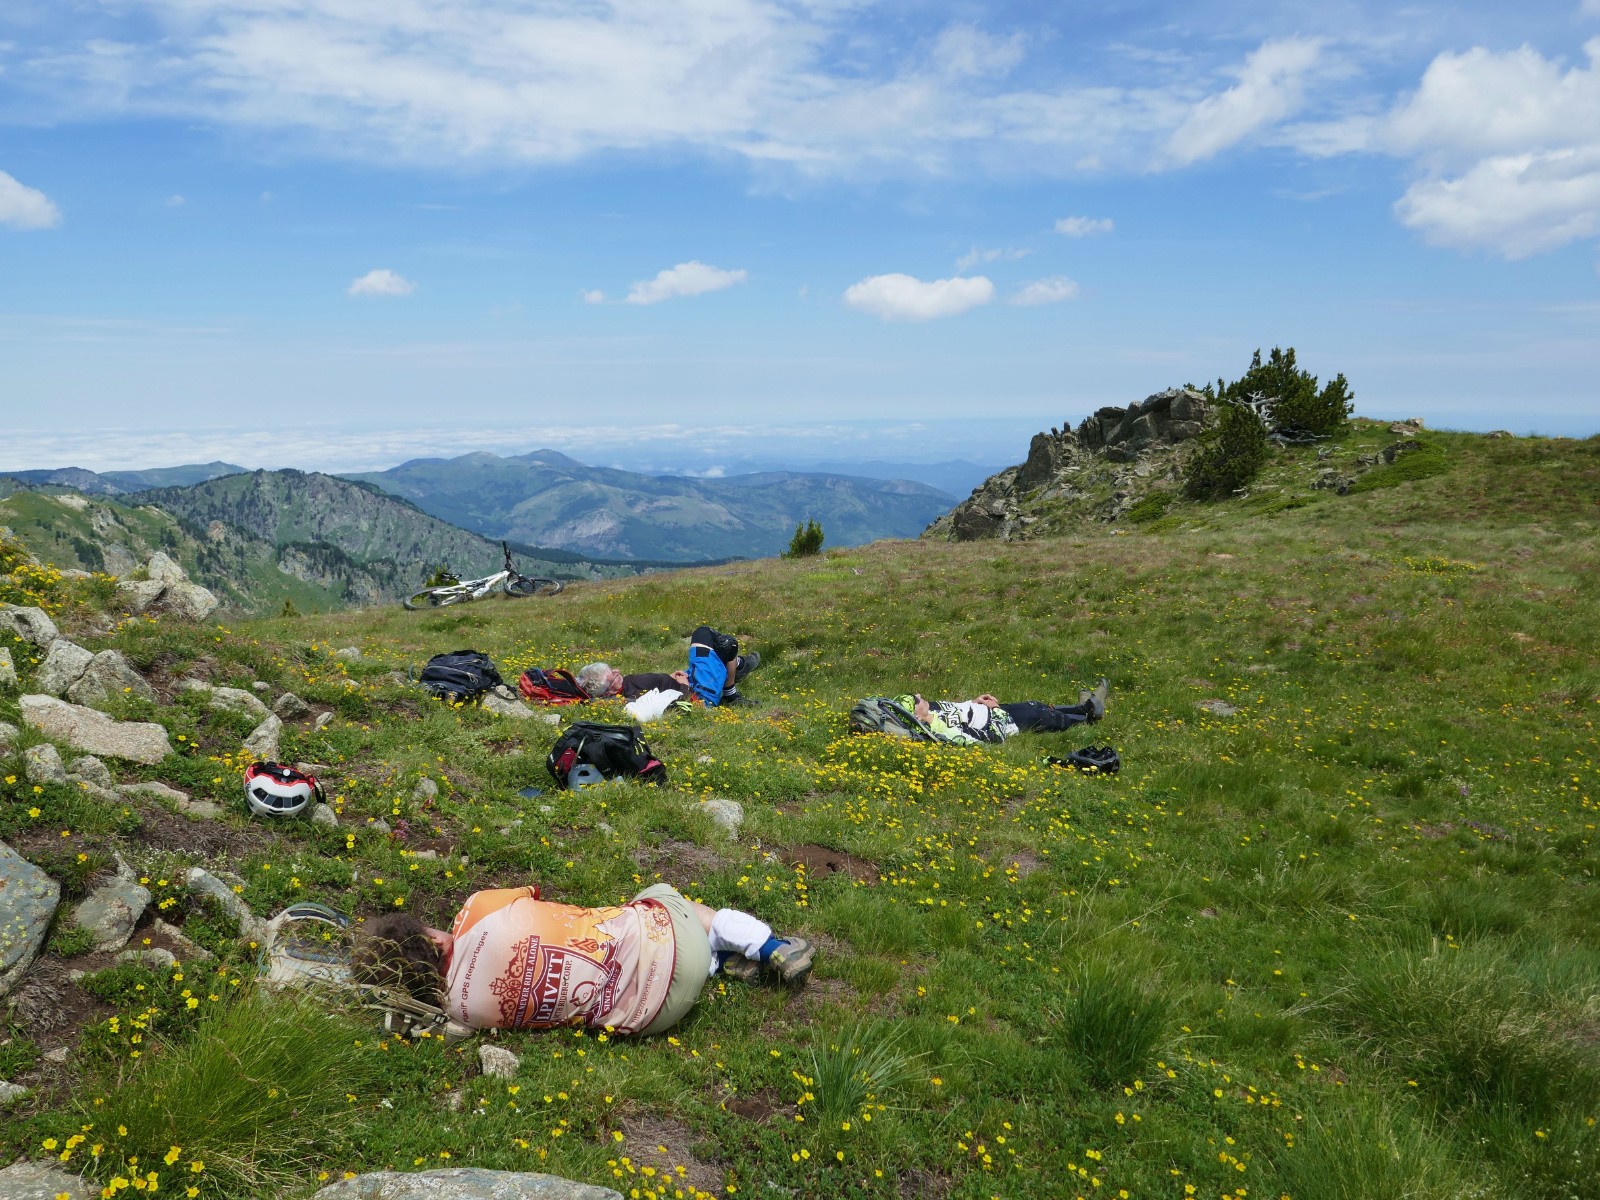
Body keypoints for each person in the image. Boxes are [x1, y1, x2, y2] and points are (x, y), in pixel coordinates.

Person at [351, 883, 811, 1037]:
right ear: (430, 937)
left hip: (651, 1019)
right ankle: (772, 948)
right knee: (674, 905)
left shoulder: (458, 1011)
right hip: (671, 943)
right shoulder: (477, 908)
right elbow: (533, 896)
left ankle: (715, 965)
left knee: (664, 954)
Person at [576, 628, 760, 708]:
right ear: (608, 692)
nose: (617, 671)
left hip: (693, 680)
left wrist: (668, 678)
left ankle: (737, 667)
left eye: (613, 670)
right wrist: (681, 685)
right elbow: (674, 703)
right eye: (613, 677)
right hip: (700, 692)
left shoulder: (627, 687)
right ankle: (731, 693)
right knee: (726, 644)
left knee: (714, 647)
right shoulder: (631, 697)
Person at [908, 678, 1109, 744]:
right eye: (915, 700)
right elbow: (994, 737)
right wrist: (995, 710)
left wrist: (974, 701)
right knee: (1041, 714)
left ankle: (1086, 707)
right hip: (1005, 720)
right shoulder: (946, 731)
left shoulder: (931, 707)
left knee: (1036, 705)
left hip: (994, 711)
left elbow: (958, 709)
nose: (918, 695)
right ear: (917, 716)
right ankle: (1089, 711)